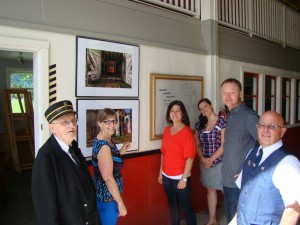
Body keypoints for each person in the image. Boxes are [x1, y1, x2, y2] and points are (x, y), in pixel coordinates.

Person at [32, 100, 101, 225]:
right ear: (52, 128)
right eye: (65, 122)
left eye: (73, 120)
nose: (72, 126)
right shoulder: (45, 158)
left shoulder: (73, 147)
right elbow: (45, 211)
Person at [229, 111, 300, 225]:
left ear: (282, 132)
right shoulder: (252, 153)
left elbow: (293, 209)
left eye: (272, 126)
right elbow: (245, 197)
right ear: (257, 127)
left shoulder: (287, 162)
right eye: (262, 125)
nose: (265, 130)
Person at [220, 78, 259, 222]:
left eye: (232, 92)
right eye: (224, 93)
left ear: (240, 93)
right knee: (231, 218)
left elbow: (265, 145)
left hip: (240, 182)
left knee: (241, 220)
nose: (228, 96)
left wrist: (249, 169)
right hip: (227, 179)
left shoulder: (249, 116)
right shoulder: (230, 115)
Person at [158, 100, 197, 225]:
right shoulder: (166, 130)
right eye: (172, 111)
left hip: (180, 177)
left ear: (183, 114)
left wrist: (184, 179)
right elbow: (163, 153)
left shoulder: (187, 132)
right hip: (166, 176)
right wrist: (160, 173)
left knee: (187, 208)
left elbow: (190, 158)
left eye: (178, 110)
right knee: (172, 206)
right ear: (169, 114)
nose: (174, 113)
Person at [92, 108, 131, 225]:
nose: (112, 125)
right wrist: (120, 203)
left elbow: (110, 161)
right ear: (99, 123)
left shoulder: (107, 138)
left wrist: (122, 150)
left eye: (114, 121)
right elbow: (108, 178)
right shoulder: (104, 146)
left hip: (109, 197)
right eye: (107, 122)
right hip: (107, 200)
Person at [194, 98, 226, 225]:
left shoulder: (222, 121)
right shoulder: (199, 124)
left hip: (220, 161)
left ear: (211, 105)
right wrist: (203, 159)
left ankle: (233, 218)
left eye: (205, 106)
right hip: (205, 162)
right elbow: (197, 144)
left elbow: (224, 144)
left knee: (225, 189)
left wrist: (211, 159)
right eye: (201, 109)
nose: (204, 110)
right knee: (210, 190)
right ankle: (212, 219)